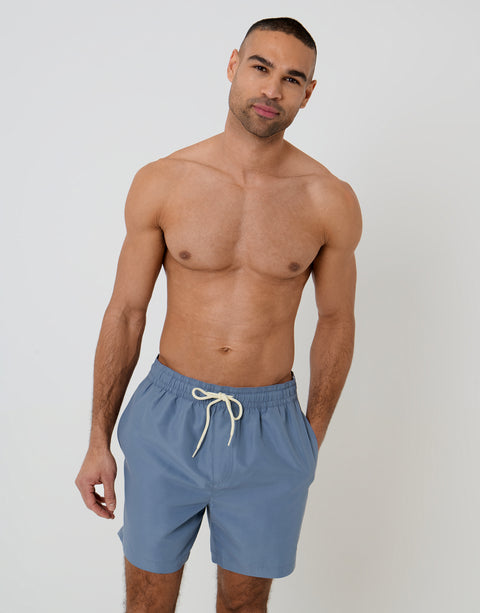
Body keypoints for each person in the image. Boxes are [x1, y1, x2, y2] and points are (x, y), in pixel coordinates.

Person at [75, 16, 362, 613]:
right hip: (166, 417)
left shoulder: (328, 199)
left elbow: (336, 320)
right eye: (260, 67)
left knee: (244, 606)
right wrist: (98, 439)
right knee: (148, 602)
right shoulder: (164, 182)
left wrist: (310, 437)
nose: (272, 89)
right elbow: (126, 312)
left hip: (271, 428)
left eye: (292, 79)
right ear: (233, 66)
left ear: (309, 93)